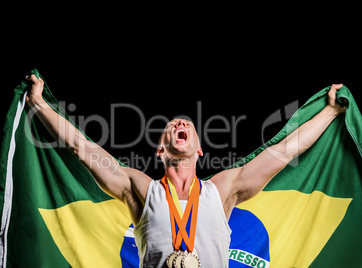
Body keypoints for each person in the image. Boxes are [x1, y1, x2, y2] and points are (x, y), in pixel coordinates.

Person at [25, 74, 346, 268]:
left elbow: (285, 151)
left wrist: (331, 112)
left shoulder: (222, 190)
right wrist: (39, 104)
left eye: (187, 125)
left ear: (199, 149)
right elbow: (82, 148)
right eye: (171, 126)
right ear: (161, 149)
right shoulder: (141, 189)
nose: (180, 123)